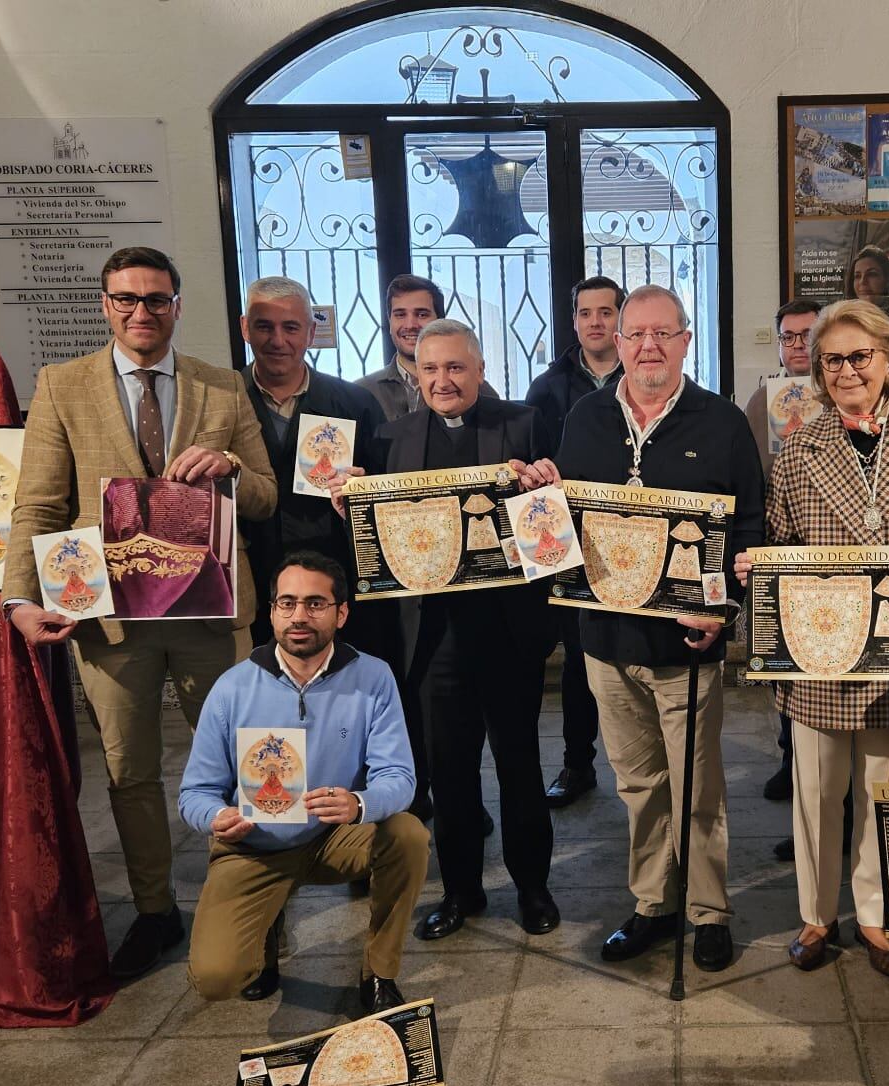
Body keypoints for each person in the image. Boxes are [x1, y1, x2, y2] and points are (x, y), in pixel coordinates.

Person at [3, 246, 277, 981]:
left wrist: (231, 469)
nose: (140, 312)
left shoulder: (222, 386)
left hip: (211, 612)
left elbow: (266, 497)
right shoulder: (62, 386)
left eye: (156, 299)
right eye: (125, 298)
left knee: (241, 764)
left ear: (177, 305)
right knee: (130, 772)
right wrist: (20, 599)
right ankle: (156, 910)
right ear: (105, 305)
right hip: (111, 619)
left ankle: (244, 912)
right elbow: (37, 503)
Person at [735, 299, 889, 978]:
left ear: (888, 359)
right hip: (819, 654)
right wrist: (760, 571)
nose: (846, 371)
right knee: (816, 796)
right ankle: (816, 915)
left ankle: (875, 916)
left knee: (882, 790)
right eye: (831, 360)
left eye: (859, 356)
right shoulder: (799, 449)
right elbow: (781, 541)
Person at [555, 284, 765, 973]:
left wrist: (723, 610)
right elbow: (565, 521)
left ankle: (708, 911)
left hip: (686, 645)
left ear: (685, 341)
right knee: (639, 783)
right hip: (605, 641)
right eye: (636, 334)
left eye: (662, 334)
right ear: (617, 343)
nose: (649, 346)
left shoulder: (722, 423)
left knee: (696, 788)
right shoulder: (585, 418)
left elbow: (749, 528)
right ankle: (654, 903)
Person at [360, 319, 561, 940]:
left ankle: (532, 888)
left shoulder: (524, 423)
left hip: (508, 629)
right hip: (433, 638)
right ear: (416, 375)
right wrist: (353, 509)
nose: (443, 380)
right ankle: (461, 892)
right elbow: (379, 537)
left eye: (455, 367)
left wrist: (543, 490)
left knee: (520, 766)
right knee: (448, 775)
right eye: (430, 369)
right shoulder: (389, 437)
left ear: (479, 370)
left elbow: (555, 522)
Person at [177, 551, 428, 1012]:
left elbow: (399, 775)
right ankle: (266, 931)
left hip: (334, 837)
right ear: (272, 611)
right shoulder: (233, 687)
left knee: (408, 835)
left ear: (341, 613)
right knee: (216, 979)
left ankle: (379, 970)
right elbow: (195, 792)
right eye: (287, 603)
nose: (299, 616)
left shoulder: (373, 677)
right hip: (254, 846)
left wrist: (359, 804)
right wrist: (217, 817)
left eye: (315, 604)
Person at [235, 276, 388, 647]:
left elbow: (386, 499)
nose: (278, 340)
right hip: (251, 584)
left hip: (337, 579)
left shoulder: (355, 404)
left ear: (310, 332)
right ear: (245, 328)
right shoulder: (222, 401)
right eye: (264, 326)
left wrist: (362, 490)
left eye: (291, 327)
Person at [524, 276, 626, 807]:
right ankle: (577, 763)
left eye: (605, 312)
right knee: (579, 657)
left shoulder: (646, 374)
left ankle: (648, 768)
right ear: (573, 321)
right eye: (585, 313)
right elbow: (531, 470)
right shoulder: (547, 388)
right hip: (571, 544)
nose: (595, 322)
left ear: (621, 318)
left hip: (634, 538)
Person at [750, 298, 823, 814]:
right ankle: (789, 754)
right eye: (788, 337)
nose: (798, 345)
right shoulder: (762, 402)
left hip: (833, 552)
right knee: (785, 665)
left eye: (807, 335)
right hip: (782, 548)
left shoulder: (843, 392)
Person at [357, 274, 497, 421]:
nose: (410, 325)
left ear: (440, 320)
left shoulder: (480, 391)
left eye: (422, 314)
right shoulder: (363, 392)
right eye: (400, 315)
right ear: (389, 321)